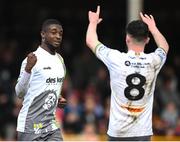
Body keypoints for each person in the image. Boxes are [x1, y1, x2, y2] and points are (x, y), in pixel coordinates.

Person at [86, 6, 169, 141]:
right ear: (147, 40)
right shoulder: (154, 61)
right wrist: (153, 28)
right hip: (142, 132)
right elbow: (164, 46)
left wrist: (93, 22)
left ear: (127, 38)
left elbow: (91, 41)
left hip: (118, 132)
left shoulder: (116, 58)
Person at [15, 19, 67, 141]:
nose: (58, 36)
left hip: (51, 126)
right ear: (43, 34)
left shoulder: (60, 60)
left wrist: (58, 98)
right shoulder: (32, 59)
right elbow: (19, 93)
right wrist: (28, 70)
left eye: (60, 33)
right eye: (54, 32)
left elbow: (47, 87)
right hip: (30, 127)